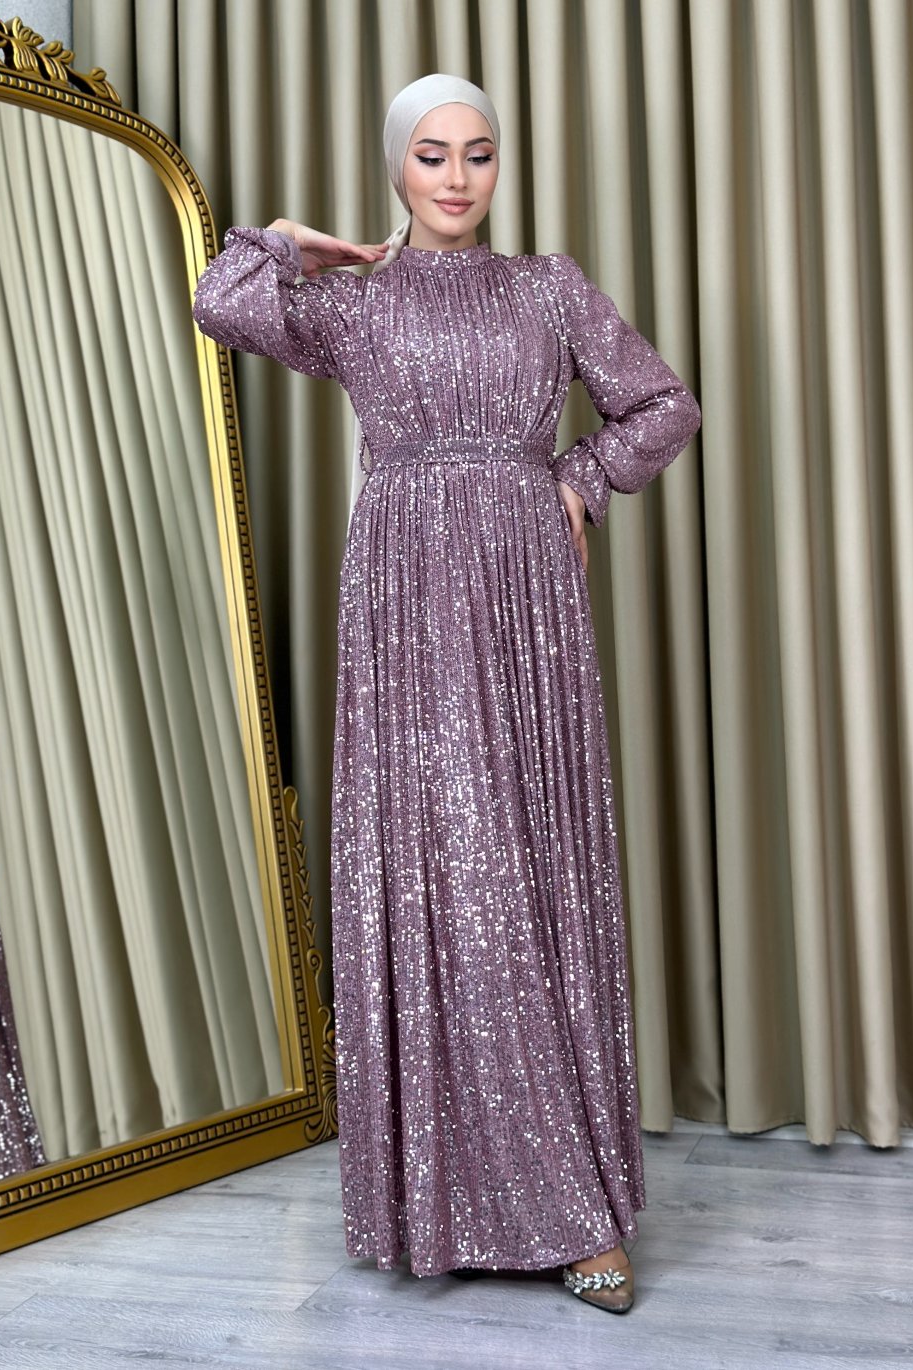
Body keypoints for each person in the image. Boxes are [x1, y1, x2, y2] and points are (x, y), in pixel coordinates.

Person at [192, 72, 701, 1316]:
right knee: (433, 868)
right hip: (402, 593)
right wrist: (292, 240)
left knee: (523, 866)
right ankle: (449, 1199)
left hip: (525, 588)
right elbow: (219, 300)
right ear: (396, 168)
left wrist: (579, 477)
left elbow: (662, 402)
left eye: (478, 152)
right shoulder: (354, 303)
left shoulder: (548, 285)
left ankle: (574, 1208)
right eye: (432, 155)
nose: (458, 176)